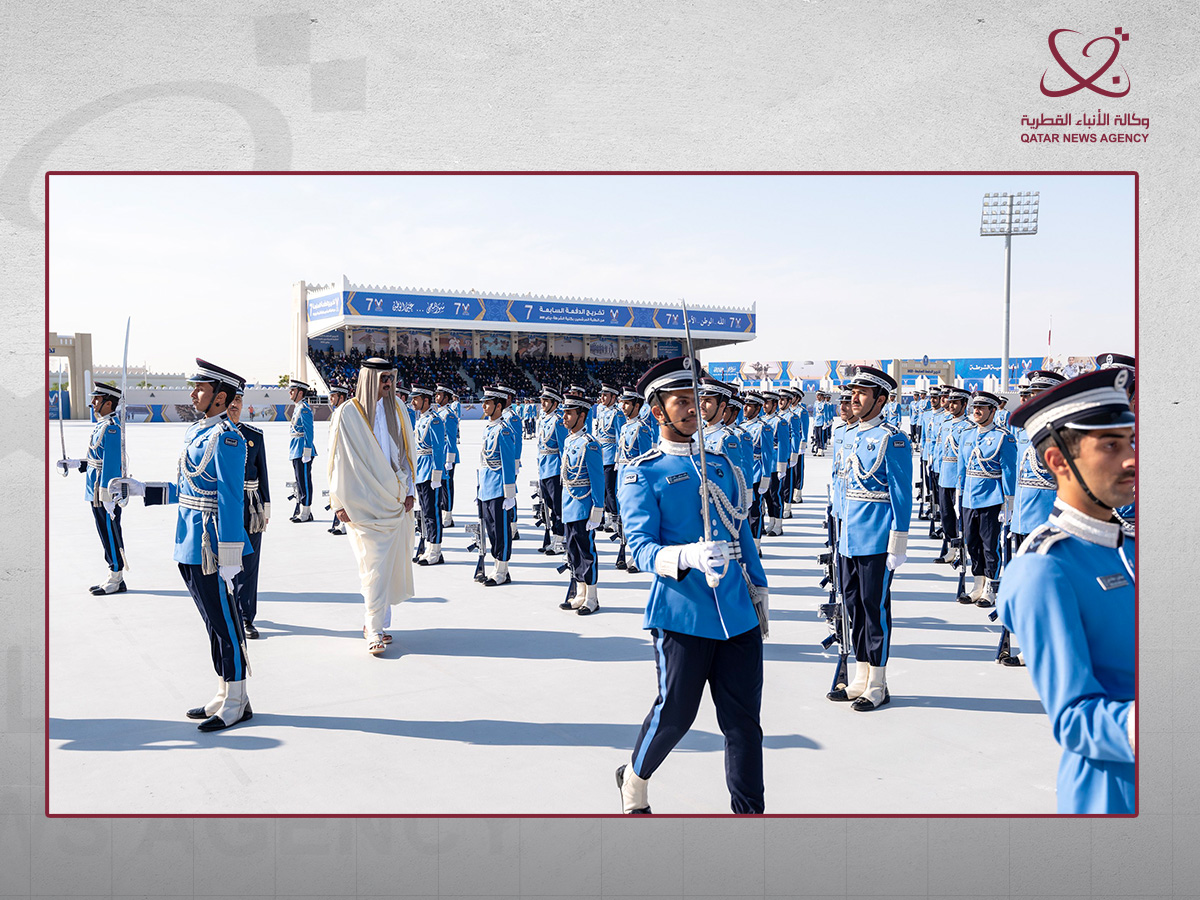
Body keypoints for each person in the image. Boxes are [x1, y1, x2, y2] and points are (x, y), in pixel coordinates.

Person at [615, 357, 769, 814]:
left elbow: (741, 531)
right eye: (681, 401)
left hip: (736, 612)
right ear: (658, 411)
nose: (693, 409)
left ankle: (750, 814)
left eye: (697, 400)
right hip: (682, 612)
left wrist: (758, 590)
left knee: (743, 722)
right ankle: (635, 780)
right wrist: (686, 555)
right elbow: (639, 548)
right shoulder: (641, 473)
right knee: (676, 714)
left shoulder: (722, 464)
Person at [997, 368, 1135, 813]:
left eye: (1130, 442)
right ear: (1058, 461)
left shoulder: (1130, 546)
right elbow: (1077, 720)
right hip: (1114, 796)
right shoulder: (1044, 569)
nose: (1131, 458)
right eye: (1111, 445)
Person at [110, 359, 252, 731]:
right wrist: (142, 489)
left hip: (214, 546)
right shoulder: (197, 432)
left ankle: (238, 700)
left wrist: (231, 555)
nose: (193, 393)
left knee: (226, 624)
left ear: (221, 397)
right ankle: (225, 690)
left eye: (200, 389)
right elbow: (187, 489)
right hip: (189, 542)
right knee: (211, 622)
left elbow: (231, 497)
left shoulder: (227, 437)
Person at [832, 366, 911, 711]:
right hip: (848, 536)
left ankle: (878, 683)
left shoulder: (892, 439)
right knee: (853, 606)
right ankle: (861, 677)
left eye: (863, 393)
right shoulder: (849, 435)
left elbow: (901, 494)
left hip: (877, 538)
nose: (855, 398)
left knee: (873, 608)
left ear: (881, 399)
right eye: (853, 392)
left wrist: (899, 541)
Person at [326, 358, 418, 655]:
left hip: (393, 500)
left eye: (390, 377)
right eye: (382, 379)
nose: (388, 384)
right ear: (368, 380)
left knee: (385, 567)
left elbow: (406, 454)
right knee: (373, 566)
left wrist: (411, 491)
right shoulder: (347, 414)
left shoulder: (399, 410)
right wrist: (337, 502)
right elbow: (336, 461)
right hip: (361, 503)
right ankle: (374, 627)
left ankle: (376, 622)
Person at [57, 381, 129, 594]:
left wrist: (108, 496)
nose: (92, 403)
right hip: (94, 489)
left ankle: (116, 577)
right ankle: (114, 574)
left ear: (108, 403)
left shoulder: (112, 428)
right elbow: (94, 459)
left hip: (104, 492)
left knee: (110, 532)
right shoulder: (101, 425)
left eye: (96, 399)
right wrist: (75, 464)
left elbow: (112, 463)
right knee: (104, 532)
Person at [955, 390, 1017, 608]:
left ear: (993, 410)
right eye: (975, 407)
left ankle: (991, 588)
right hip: (968, 500)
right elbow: (961, 468)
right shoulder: (966, 435)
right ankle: (977, 585)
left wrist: (1008, 502)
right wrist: (959, 494)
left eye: (982, 408)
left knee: (990, 546)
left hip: (991, 499)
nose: (977, 411)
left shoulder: (1003, 437)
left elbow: (1009, 471)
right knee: (971, 543)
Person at [227, 386, 270, 639]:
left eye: (239, 400)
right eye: (232, 400)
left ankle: (246, 617)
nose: (235, 405)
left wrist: (266, 508)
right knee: (225, 562)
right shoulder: (213, 434)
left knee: (250, 564)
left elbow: (263, 472)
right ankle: (228, 612)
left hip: (251, 506)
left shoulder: (254, 435)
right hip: (224, 506)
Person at [559, 393, 605, 613]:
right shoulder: (569, 441)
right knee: (572, 550)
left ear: (582, 415)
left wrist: (598, 508)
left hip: (583, 505)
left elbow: (597, 478)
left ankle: (592, 597)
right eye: (564, 413)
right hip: (568, 503)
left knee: (586, 551)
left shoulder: (591, 445)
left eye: (569, 413)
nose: (564, 418)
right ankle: (579, 593)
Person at [476, 386, 517, 586]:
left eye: (488, 403)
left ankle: (502, 570)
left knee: (501, 531)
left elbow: (508, 464)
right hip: (486, 488)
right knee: (491, 530)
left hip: (499, 489)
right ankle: (495, 566)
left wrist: (509, 494)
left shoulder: (504, 430)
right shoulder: (489, 428)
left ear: (498, 406)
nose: (484, 406)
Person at [410, 384, 446, 566]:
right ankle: (429, 547)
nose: (413, 401)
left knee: (433, 512)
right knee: (425, 512)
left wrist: (437, 474)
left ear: (426, 400)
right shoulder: (421, 419)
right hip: (420, 472)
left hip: (431, 473)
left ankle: (436, 550)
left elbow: (439, 449)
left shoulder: (435, 420)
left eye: (416, 398)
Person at [935, 387, 971, 568]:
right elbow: (939, 450)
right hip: (944, 476)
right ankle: (950, 549)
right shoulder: (946, 423)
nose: (951, 406)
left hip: (959, 478)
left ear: (964, 405)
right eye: (950, 402)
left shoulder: (969, 427)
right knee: (946, 515)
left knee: (961, 517)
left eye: (956, 403)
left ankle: (963, 548)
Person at [536, 387, 569, 555]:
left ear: (555, 403)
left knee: (558, 507)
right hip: (544, 468)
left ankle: (560, 539)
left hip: (555, 468)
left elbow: (564, 447)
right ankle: (553, 538)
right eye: (542, 400)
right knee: (548, 505)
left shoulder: (557, 420)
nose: (543, 403)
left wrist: (564, 471)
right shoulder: (544, 419)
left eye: (546, 401)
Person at [592, 383, 626, 530]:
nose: (602, 398)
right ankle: (606, 516)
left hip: (611, 455)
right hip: (601, 454)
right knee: (602, 489)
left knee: (610, 488)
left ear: (613, 397)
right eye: (602, 395)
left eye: (606, 395)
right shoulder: (601, 411)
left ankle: (615, 517)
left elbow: (620, 436)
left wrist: (618, 457)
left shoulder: (617, 413)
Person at [287, 378, 317, 522]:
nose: (290, 392)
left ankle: (305, 512)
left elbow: (309, 431)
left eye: (292, 390)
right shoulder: (298, 407)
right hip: (295, 449)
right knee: (299, 481)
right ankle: (303, 510)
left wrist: (307, 451)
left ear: (300, 392)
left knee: (304, 481)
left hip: (302, 450)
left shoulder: (304, 408)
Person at [435, 384, 460, 528]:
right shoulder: (438, 413)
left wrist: (449, 459)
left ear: (446, 397)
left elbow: (451, 438)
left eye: (439, 395)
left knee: (447, 486)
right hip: (439, 454)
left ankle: (448, 515)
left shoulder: (449, 415)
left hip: (447, 455)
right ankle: (443, 509)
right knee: (441, 484)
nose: (436, 397)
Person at [326, 384, 349, 534]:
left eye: (333, 396)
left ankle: (346, 524)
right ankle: (338, 521)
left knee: (345, 489)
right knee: (336, 488)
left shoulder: (347, 412)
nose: (331, 399)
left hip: (344, 457)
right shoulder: (337, 412)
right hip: (336, 456)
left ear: (341, 396)